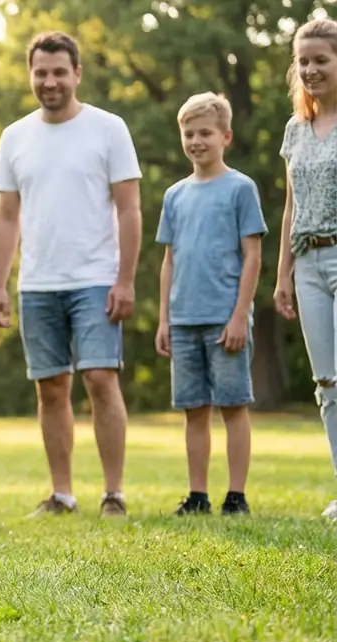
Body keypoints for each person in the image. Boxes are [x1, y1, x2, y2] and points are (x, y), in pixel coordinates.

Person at [0, 31, 143, 518]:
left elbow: (130, 210)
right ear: (30, 75)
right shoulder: (15, 136)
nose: (49, 81)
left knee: (100, 378)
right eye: (40, 72)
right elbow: (6, 216)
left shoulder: (109, 128)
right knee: (50, 387)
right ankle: (62, 494)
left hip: (97, 278)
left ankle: (113, 493)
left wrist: (125, 279)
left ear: (77, 73)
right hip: (37, 283)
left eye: (59, 71)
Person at [154, 93, 266, 516]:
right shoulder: (175, 195)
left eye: (205, 133)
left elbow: (252, 256)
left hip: (225, 319)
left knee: (233, 406)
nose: (197, 141)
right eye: (189, 133)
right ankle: (197, 495)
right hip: (183, 321)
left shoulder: (241, 188)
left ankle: (236, 496)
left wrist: (240, 315)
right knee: (193, 410)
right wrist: (164, 318)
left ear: (226, 136)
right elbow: (169, 260)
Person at [272, 17, 337, 522]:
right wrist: (282, 276)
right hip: (307, 263)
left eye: (322, 59)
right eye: (304, 61)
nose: (311, 69)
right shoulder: (295, 129)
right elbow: (291, 206)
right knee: (327, 384)